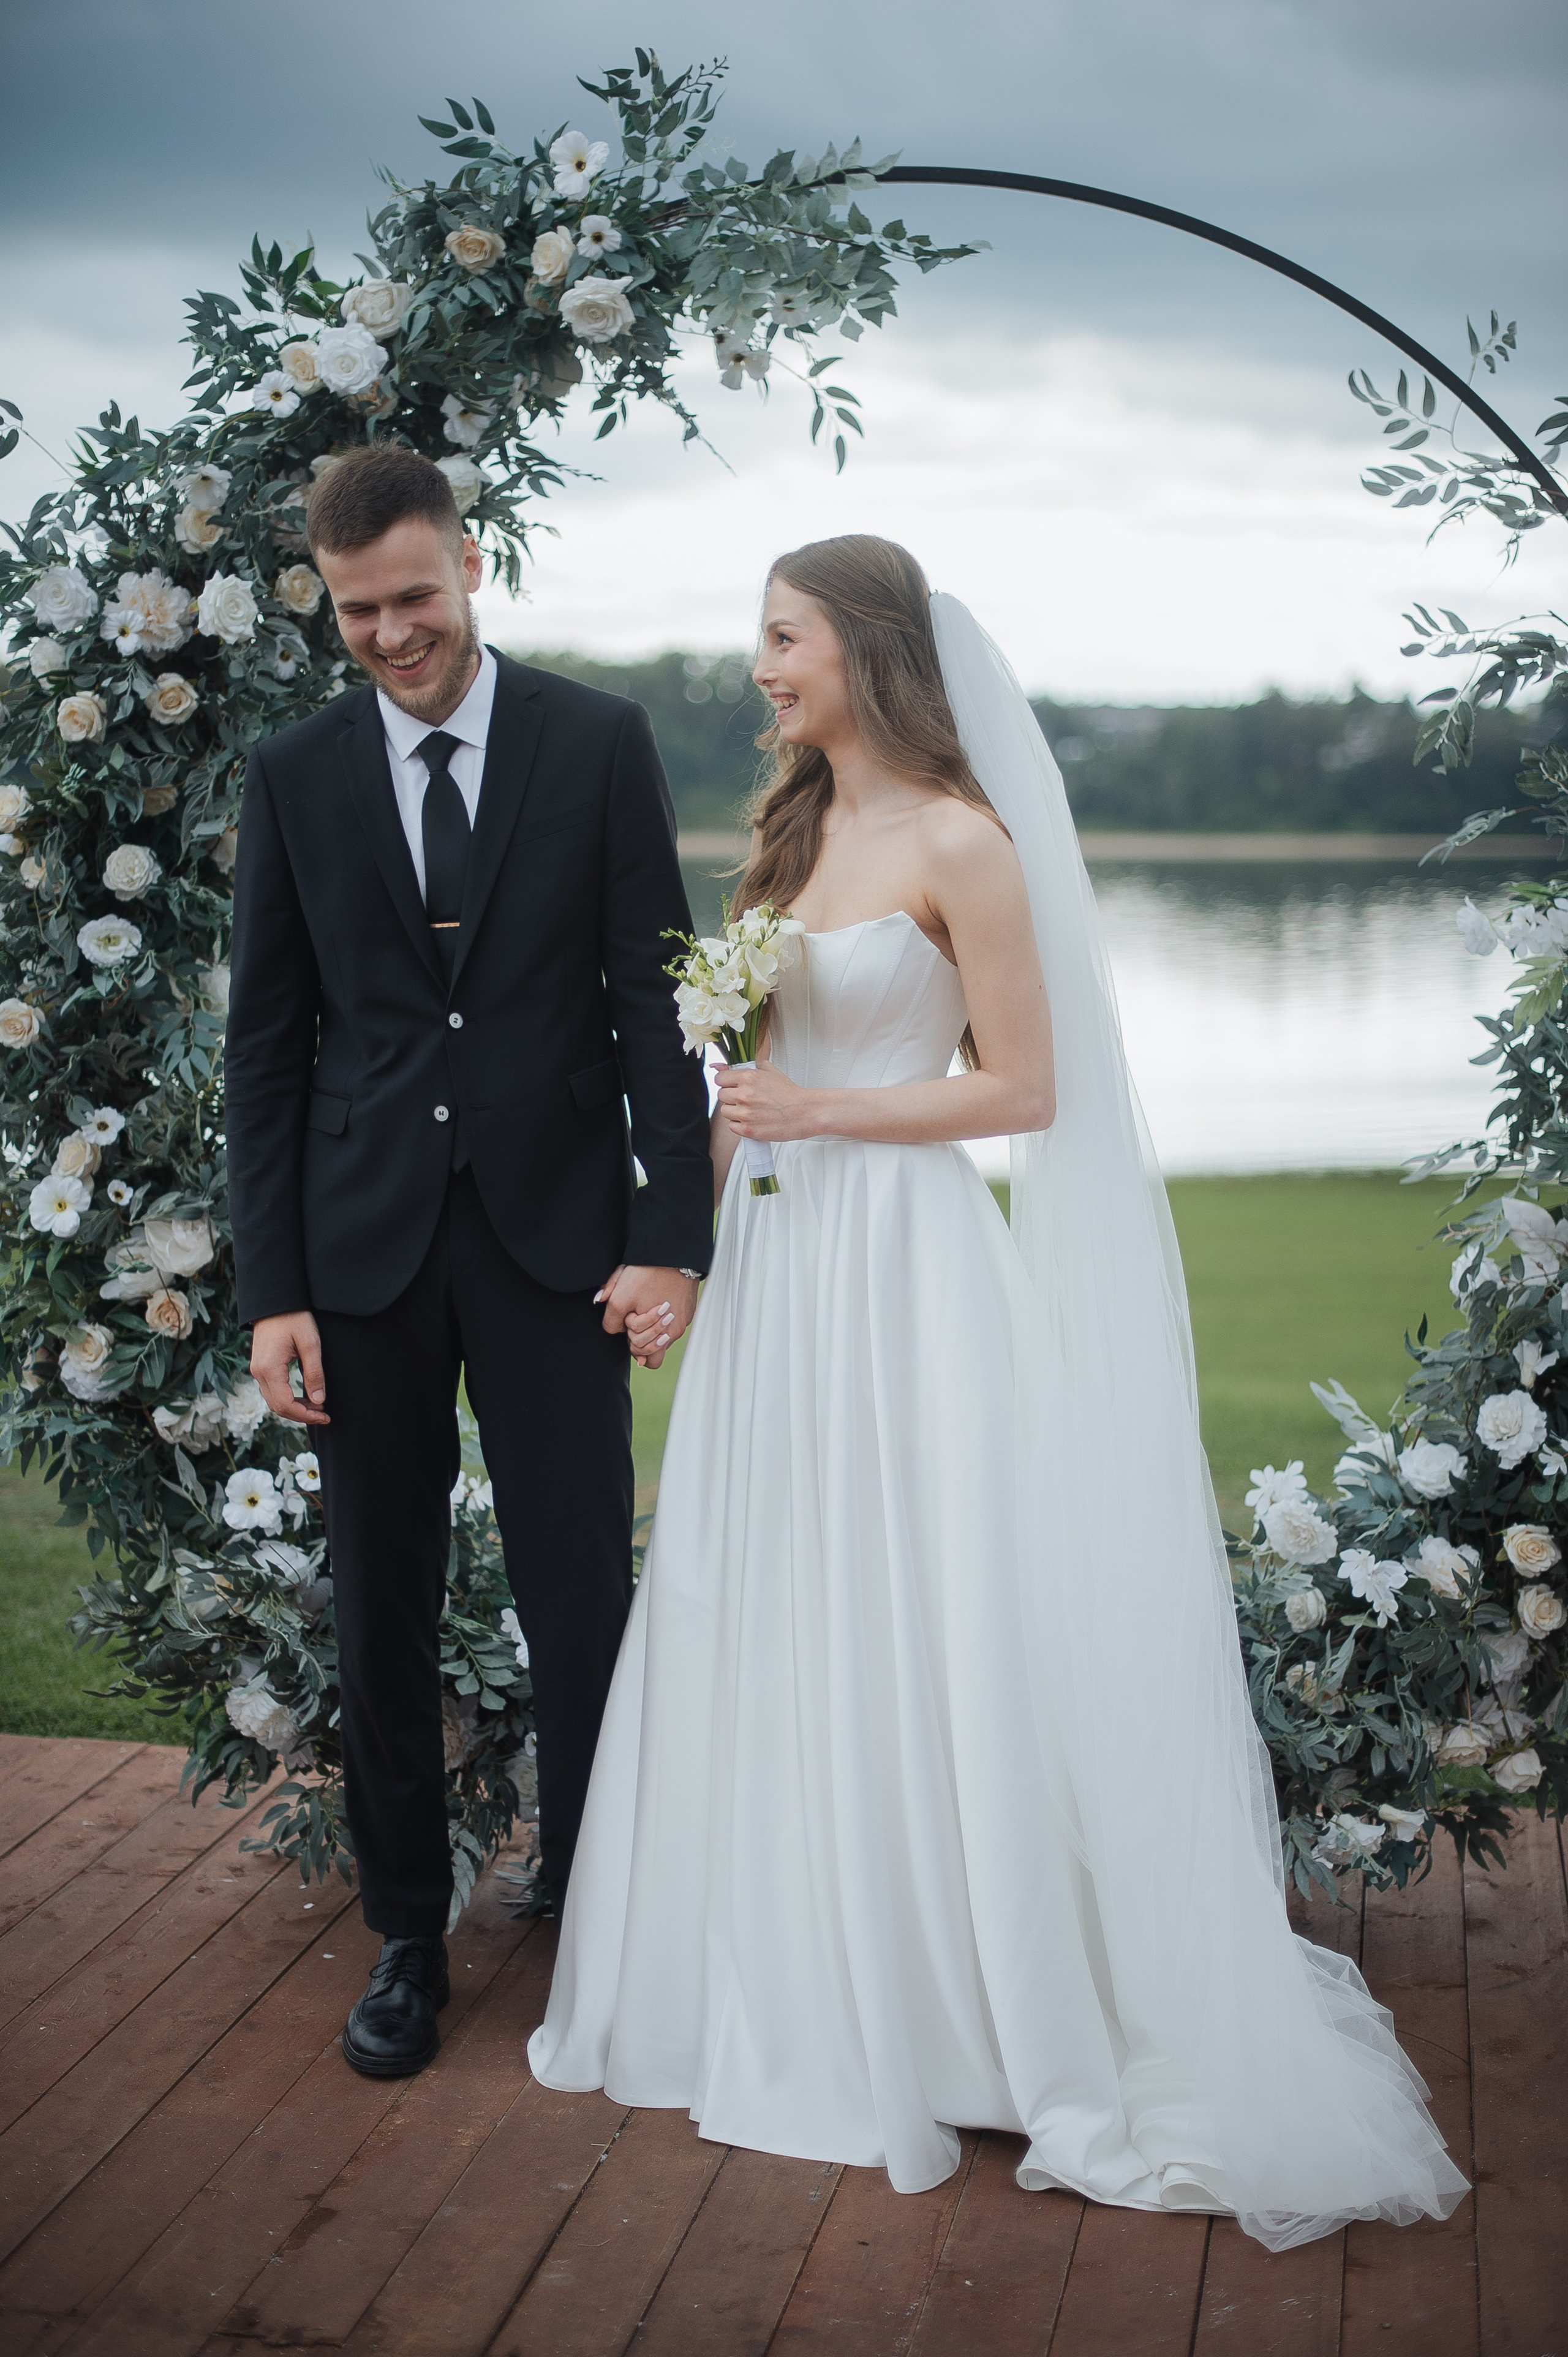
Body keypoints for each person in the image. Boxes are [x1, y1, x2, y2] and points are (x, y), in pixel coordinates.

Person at [527, 534, 1468, 2250]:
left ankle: (973, 2002)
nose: (762, 668)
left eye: (784, 637)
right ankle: (789, 1960)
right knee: (777, 1598)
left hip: (909, 1271)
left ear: (867, 649)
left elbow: (1025, 1087)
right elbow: (742, 1091)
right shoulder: (796, 838)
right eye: (761, 640)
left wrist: (827, 1111)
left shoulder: (968, 842)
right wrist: (698, 1234)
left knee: (928, 1603)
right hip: (787, 1274)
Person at [224, 443, 712, 2080]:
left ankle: (597, 1907)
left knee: (583, 1597)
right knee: (383, 1609)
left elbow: (657, 1003)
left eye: (413, 597)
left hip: (557, 1243)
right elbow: (266, 1050)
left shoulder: (597, 742)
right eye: (358, 610)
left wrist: (670, 1238)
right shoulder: (293, 773)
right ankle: (407, 1935)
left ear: (475, 566)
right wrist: (269, 1286)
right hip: (359, 1257)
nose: (389, 634)